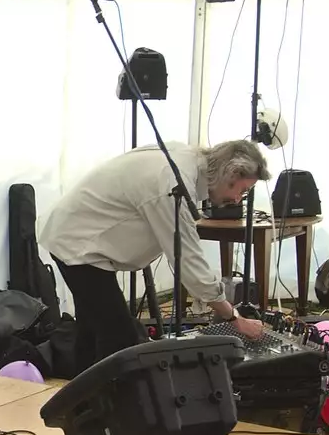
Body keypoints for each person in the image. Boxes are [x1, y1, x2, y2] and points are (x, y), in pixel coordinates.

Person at [39, 139, 268, 370]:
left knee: (92, 329)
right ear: (230, 172)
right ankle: (107, 402)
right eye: (242, 190)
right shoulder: (173, 183)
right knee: (120, 338)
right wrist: (235, 319)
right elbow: (189, 263)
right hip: (77, 244)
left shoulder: (183, 157)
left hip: (74, 236)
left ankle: (78, 399)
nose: (238, 200)